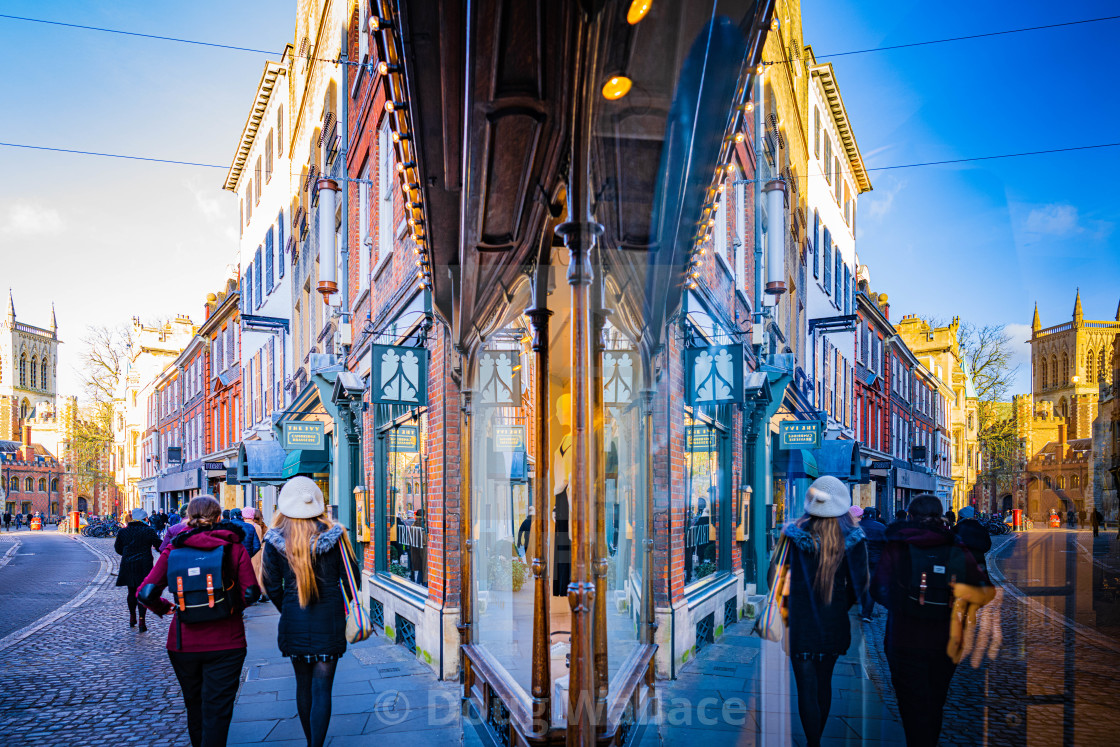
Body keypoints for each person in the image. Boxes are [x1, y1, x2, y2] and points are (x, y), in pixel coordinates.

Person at [138, 495, 259, 747]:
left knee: (194, 705)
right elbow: (251, 592)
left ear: (188, 518)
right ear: (218, 517)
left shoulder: (173, 549)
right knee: (218, 710)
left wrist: (167, 608)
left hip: (184, 642)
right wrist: (232, 608)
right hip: (227, 641)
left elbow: (145, 592)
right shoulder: (233, 547)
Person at [872, 494, 991, 747]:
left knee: (909, 702)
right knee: (935, 701)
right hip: (946, 640)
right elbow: (983, 590)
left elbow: (878, 587)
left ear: (911, 516)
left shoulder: (897, 544)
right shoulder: (956, 546)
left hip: (903, 637)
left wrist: (903, 605)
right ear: (940, 517)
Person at [262, 477, 358, 747]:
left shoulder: (275, 540)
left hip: (293, 617)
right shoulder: (337, 536)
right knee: (322, 688)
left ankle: (309, 743)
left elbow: (270, 585)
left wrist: (287, 608)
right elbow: (353, 579)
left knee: (302, 685)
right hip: (329, 619)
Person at [781, 476, 868, 747]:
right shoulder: (853, 538)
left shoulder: (793, 534)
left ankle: (813, 742)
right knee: (824, 681)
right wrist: (842, 606)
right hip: (833, 620)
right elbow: (860, 584)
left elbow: (779, 576)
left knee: (805, 687)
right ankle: (815, 740)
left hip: (800, 619)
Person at [115, 508, 162, 632]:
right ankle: (142, 620)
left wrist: (127, 554)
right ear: (144, 519)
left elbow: (118, 548)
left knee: (131, 591)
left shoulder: (122, 532)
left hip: (128, 564)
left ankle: (132, 617)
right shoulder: (149, 531)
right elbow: (158, 545)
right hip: (144, 564)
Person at [859, 508, 888, 622]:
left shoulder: (857, 526)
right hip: (876, 560)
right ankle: (867, 613)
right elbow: (887, 544)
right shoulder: (881, 527)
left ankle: (863, 609)